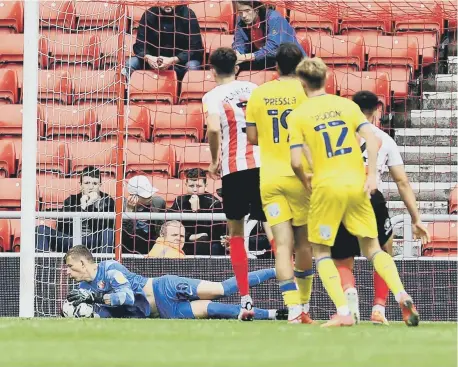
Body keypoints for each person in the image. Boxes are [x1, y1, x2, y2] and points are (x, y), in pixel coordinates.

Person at [289, 57, 419, 327]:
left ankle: (344, 312)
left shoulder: (298, 115)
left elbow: (296, 161)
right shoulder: (346, 106)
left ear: (302, 83)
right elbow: (372, 137)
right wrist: (371, 174)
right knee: (373, 248)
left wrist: (305, 181)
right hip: (358, 185)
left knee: (322, 252)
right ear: (326, 80)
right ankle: (401, 293)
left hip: (327, 187)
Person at [331, 91, 431, 325]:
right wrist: (416, 218)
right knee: (382, 252)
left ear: (351, 107)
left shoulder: (337, 134)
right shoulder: (384, 139)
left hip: (341, 197)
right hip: (372, 197)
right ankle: (382, 305)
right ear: (377, 109)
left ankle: (349, 297)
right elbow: (402, 182)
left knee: (342, 258)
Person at [245, 43, 314, 324]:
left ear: (275, 66)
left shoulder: (259, 93)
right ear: (300, 67)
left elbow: (251, 138)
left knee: (282, 246)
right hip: (301, 175)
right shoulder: (307, 93)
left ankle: (293, 309)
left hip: (270, 178)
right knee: (305, 245)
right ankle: (305, 304)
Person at [203, 47, 270, 320]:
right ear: (237, 67)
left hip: (234, 169)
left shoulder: (211, 96)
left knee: (236, 233)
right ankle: (295, 298)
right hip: (265, 166)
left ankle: (245, 300)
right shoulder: (255, 89)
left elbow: (214, 128)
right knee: (275, 230)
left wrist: (214, 158)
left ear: (211, 70)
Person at [64, 245, 287, 321]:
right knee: (215, 310)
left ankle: (277, 270)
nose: (67, 272)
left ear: (84, 263)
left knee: (220, 290)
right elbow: (107, 314)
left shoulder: (110, 269)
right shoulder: (83, 290)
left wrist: (95, 299)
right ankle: (275, 314)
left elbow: (128, 297)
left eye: (70, 267)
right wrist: (82, 314)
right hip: (164, 311)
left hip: (165, 287)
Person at [35, 166, 114, 253]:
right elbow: (62, 228)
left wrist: (92, 205)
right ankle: (41, 266)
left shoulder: (107, 201)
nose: (91, 187)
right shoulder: (71, 200)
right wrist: (82, 207)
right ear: (81, 185)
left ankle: (105, 265)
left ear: (100, 185)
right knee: (40, 230)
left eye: (95, 184)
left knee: (108, 232)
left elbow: (106, 229)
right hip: (71, 241)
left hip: (94, 241)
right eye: (87, 183)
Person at [122, 5, 203, 80]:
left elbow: (195, 47)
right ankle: (131, 94)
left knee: (192, 66)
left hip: (180, 62)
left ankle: (184, 94)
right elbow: (140, 45)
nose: (168, 2)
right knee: (131, 64)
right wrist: (149, 58)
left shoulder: (188, 14)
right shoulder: (149, 14)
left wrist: (173, 60)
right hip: (153, 61)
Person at [233, 1, 306, 71]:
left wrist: (245, 57)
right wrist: (237, 54)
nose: (243, 15)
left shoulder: (274, 18)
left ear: (256, 9)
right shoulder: (240, 20)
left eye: (247, 10)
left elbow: (273, 48)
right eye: (240, 12)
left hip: (291, 60)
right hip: (265, 59)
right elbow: (239, 43)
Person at [170, 168, 226, 256]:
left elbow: (215, 234)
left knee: (207, 243)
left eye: (199, 186)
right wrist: (189, 237)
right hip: (184, 240)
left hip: (206, 243)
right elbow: (171, 225)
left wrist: (197, 212)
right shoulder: (179, 200)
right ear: (186, 184)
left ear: (205, 186)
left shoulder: (214, 203)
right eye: (191, 186)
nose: (195, 190)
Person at [123, 175, 166, 254]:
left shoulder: (158, 202)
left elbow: (161, 227)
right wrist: (129, 211)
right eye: (146, 195)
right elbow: (124, 235)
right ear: (133, 196)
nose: (150, 197)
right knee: (139, 234)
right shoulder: (122, 206)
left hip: (152, 240)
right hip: (131, 242)